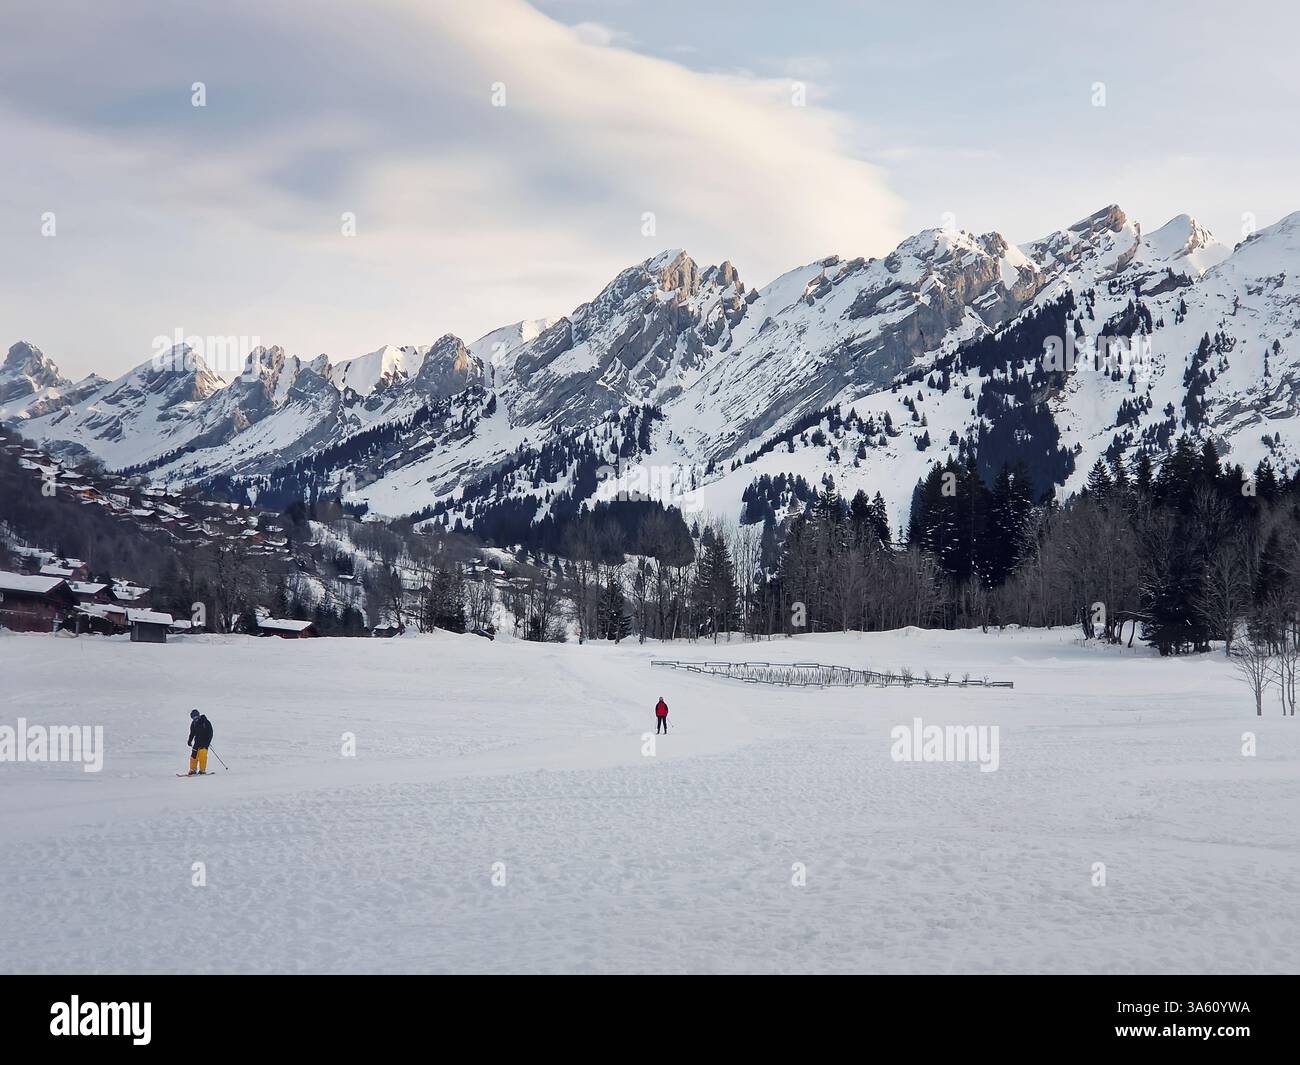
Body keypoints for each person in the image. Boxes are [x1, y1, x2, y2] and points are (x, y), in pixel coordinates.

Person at [187, 709, 214, 775]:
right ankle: (192, 770)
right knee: (193, 756)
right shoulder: (193, 724)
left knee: (202, 755)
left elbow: (210, 733)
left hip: (205, 742)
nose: (195, 719)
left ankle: (202, 770)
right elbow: (192, 733)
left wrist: (207, 743)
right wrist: (189, 741)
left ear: (198, 715)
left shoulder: (206, 722)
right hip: (197, 742)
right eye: (193, 718)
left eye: (196, 717)